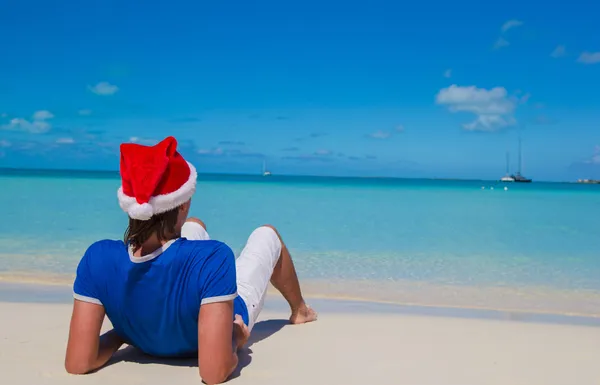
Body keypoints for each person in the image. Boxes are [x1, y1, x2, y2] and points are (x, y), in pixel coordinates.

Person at [64, 136, 317, 384]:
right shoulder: (214, 257)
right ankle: (300, 311)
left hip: (147, 330)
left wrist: (123, 332)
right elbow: (213, 373)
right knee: (267, 234)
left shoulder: (98, 258)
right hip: (219, 316)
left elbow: (78, 363)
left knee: (195, 227)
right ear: (182, 203)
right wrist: (233, 338)